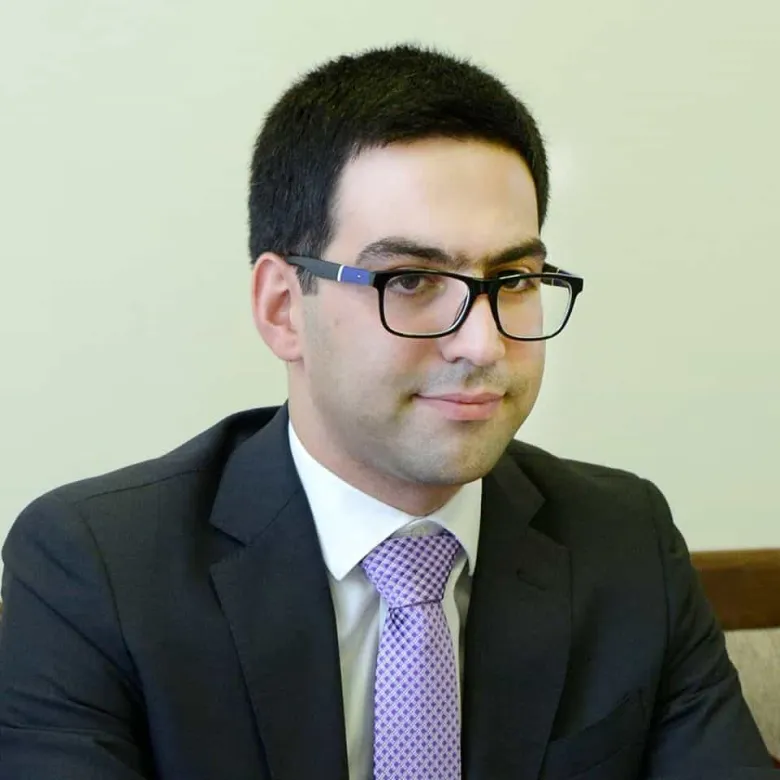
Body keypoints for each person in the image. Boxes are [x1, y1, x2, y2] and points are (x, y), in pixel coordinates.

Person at [0, 44, 775, 780]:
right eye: (410, 281)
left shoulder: (626, 542)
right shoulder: (97, 568)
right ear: (282, 308)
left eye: (513, 281)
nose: (482, 343)